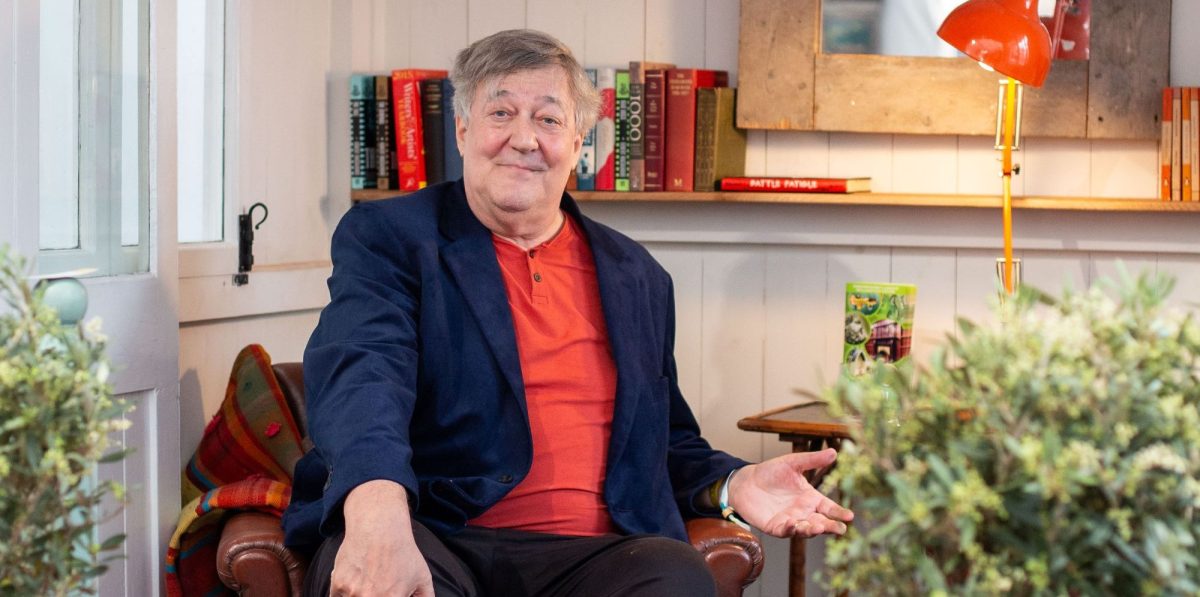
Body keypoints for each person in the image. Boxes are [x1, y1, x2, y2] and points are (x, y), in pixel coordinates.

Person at [282, 29, 854, 597]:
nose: (524, 138)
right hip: (436, 532)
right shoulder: (391, 237)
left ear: (578, 140)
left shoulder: (636, 275)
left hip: (593, 557)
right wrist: (377, 506)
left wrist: (735, 484)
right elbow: (363, 373)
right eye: (500, 112)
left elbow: (666, 443)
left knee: (675, 575)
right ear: (462, 129)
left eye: (549, 119)